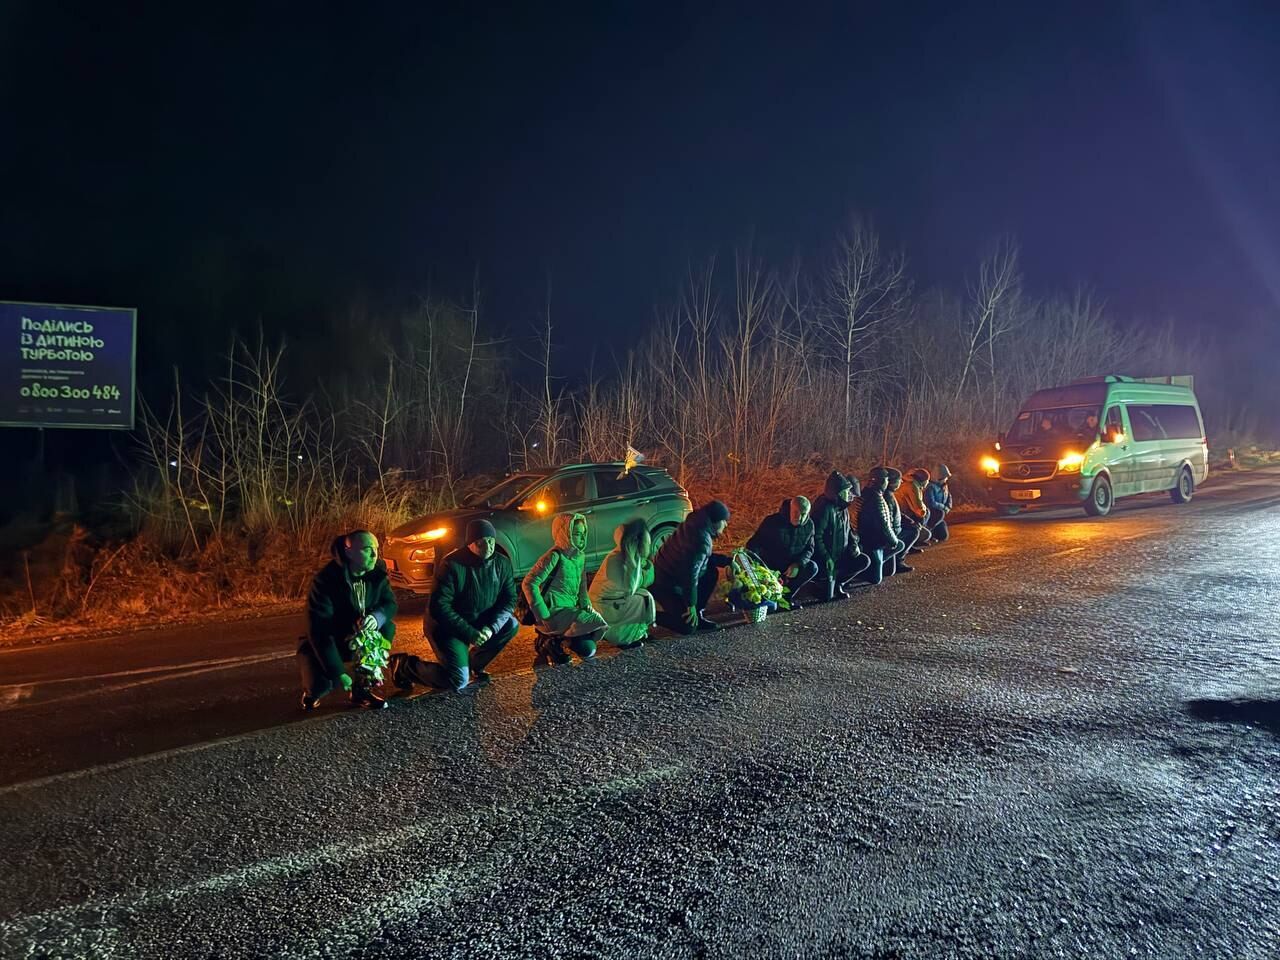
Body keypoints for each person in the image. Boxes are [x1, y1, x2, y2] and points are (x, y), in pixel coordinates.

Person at [298, 530, 396, 711]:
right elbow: (319, 630)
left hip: (358, 635)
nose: (375, 555)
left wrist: (377, 617)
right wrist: (339, 673)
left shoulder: (377, 572)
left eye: (376, 548)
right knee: (322, 685)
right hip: (332, 638)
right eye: (367, 549)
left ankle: (361, 690)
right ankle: (312, 691)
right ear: (349, 551)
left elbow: (389, 603)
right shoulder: (326, 581)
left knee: (386, 628)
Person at [421, 519, 519, 691]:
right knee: (458, 681)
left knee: (510, 624)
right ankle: (408, 667)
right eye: (481, 543)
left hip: (480, 621)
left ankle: (474, 663)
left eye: (491, 542)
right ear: (470, 544)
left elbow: (509, 599)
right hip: (449, 628)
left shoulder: (502, 563)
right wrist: (470, 634)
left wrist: (491, 628)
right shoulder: (451, 564)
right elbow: (439, 607)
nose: (488, 547)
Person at [523, 513, 608, 665]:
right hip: (553, 613)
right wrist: (544, 615)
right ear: (564, 533)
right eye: (576, 534)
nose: (581, 538)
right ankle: (552, 640)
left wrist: (586, 605)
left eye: (583, 533)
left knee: (590, 645)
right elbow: (529, 583)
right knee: (595, 622)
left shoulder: (579, 557)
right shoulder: (554, 556)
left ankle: (555, 642)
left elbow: (581, 587)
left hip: (570, 611)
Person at [652, 500, 732, 634]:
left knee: (711, 572)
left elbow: (701, 558)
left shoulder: (696, 523)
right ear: (715, 521)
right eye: (724, 521)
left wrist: (728, 561)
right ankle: (649, 616)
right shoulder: (701, 538)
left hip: (671, 575)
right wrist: (691, 605)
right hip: (664, 584)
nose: (726, 524)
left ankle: (698, 616)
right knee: (687, 626)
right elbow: (689, 574)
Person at [588, 518, 657, 649]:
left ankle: (634, 634)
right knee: (641, 599)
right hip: (604, 607)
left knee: (643, 597)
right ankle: (622, 637)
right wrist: (634, 562)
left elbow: (648, 581)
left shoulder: (630, 557)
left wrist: (645, 565)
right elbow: (630, 588)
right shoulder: (615, 558)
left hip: (614, 602)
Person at [746, 496, 818, 609]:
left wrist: (798, 564)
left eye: (804, 514)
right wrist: (757, 566)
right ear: (790, 508)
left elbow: (809, 549)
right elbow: (755, 543)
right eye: (796, 512)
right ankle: (771, 598)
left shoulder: (809, 525)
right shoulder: (772, 522)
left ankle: (786, 597)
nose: (799, 517)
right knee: (771, 607)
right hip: (770, 566)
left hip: (791, 566)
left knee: (812, 567)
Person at [812, 471, 871, 602]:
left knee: (863, 560)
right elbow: (817, 535)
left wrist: (854, 546)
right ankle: (819, 584)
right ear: (837, 492)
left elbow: (849, 530)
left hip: (841, 553)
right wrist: (826, 557)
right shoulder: (825, 508)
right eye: (846, 491)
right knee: (827, 597)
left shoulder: (842, 507)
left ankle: (838, 583)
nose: (849, 494)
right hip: (828, 557)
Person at [858, 467, 905, 585]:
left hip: (871, 539)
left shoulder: (869, 494)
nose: (888, 483)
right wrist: (893, 540)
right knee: (875, 578)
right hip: (873, 542)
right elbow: (884, 525)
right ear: (881, 481)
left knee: (886, 570)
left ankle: (874, 565)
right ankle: (867, 568)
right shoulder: (876, 499)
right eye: (886, 480)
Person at [896, 468, 934, 554]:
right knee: (923, 533)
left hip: (902, 514)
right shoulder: (912, 487)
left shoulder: (910, 484)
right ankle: (902, 553)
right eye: (927, 480)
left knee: (924, 529)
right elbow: (919, 509)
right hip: (902, 516)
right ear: (924, 480)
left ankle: (910, 544)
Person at [924, 464, 954, 542]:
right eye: (945, 477)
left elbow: (949, 497)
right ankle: (927, 530)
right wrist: (944, 508)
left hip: (939, 514)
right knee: (939, 513)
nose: (946, 479)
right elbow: (930, 502)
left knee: (943, 536)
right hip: (931, 514)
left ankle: (933, 533)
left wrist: (948, 506)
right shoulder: (930, 487)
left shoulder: (944, 486)